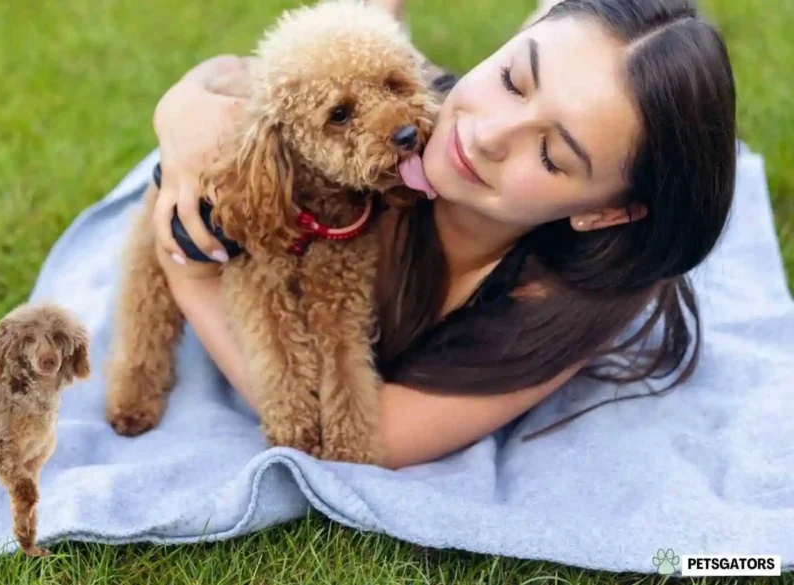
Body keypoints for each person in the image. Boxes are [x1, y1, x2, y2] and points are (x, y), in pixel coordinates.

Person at [145, 0, 737, 469]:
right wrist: (180, 107)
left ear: (605, 213)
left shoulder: (564, 304)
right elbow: (234, 74)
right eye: (512, 78)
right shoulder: (421, 114)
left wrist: (189, 274)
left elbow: (382, 439)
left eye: (552, 155)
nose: (486, 135)